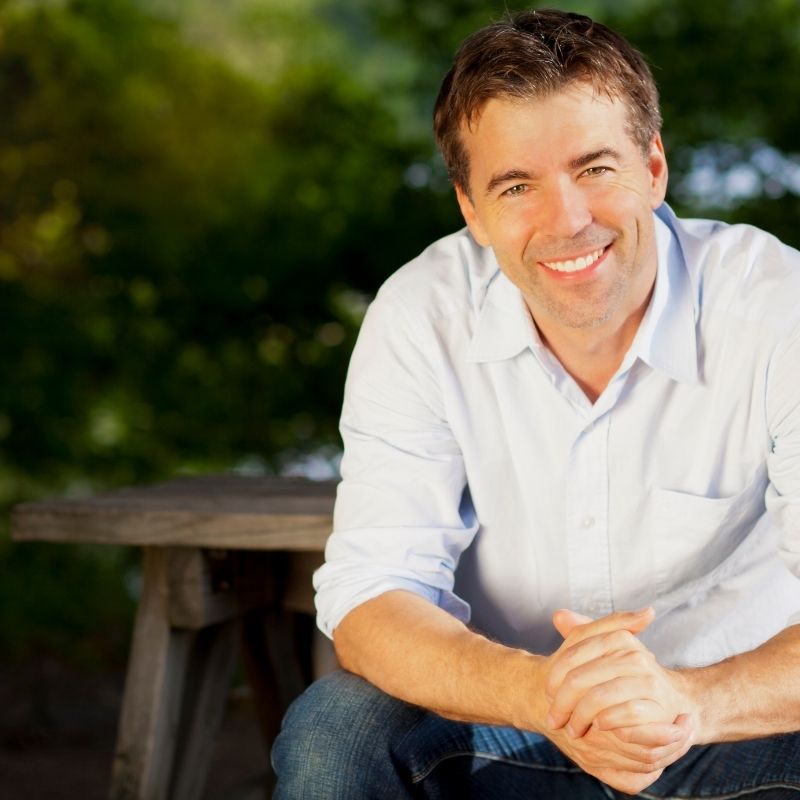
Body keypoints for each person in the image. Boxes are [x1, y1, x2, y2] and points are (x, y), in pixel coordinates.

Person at [273, 8, 800, 798]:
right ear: (471, 208)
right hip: (507, 724)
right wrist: (548, 698)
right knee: (334, 729)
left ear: (654, 166)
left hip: (728, 731)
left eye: (595, 168)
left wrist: (684, 704)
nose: (568, 221)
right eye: (517, 185)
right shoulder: (420, 315)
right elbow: (372, 595)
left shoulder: (776, 308)